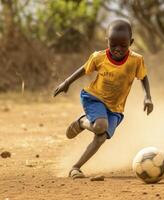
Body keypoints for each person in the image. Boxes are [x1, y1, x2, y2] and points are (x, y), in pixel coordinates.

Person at [53, 18, 153, 179]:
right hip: (94, 98)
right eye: (113, 45)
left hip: (116, 108)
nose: (118, 49)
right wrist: (67, 82)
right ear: (107, 41)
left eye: (123, 45)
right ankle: (82, 122)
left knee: (101, 137)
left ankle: (76, 167)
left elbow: (143, 77)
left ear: (131, 42)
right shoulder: (99, 57)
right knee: (100, 126)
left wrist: (147, 97)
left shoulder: (136, 60)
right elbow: (84, 69)